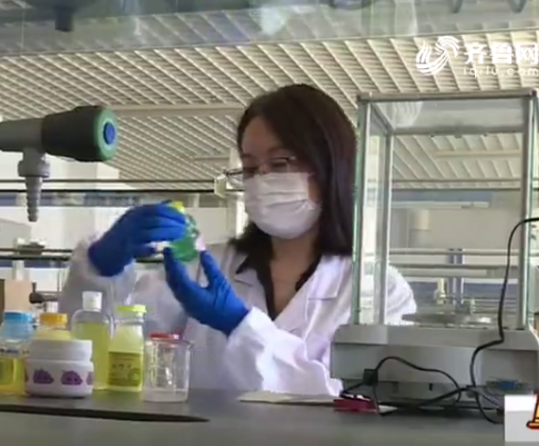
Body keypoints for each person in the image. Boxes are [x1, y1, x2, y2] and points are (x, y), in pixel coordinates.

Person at [59, 83, 416, 396]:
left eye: (280, 164)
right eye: (249, 168)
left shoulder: (380, 292)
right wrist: (100, 268)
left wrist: (240, 325)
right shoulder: (202, 267)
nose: (261, 180)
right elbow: (101, 357)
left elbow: (357, 401)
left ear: (330, 167)